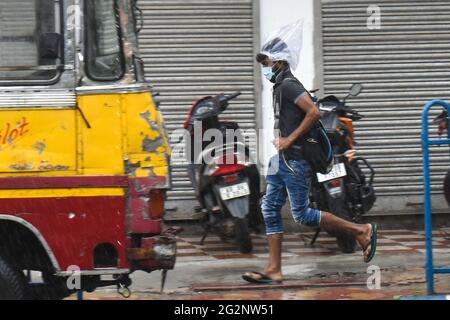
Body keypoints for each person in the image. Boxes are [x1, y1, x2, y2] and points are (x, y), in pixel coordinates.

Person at [242, 41, 378, 284]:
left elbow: (313, 112)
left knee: (302, 215)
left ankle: (361, 230)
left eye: (266, 62)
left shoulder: (288, 84)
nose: (264, 67)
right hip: (282, 160)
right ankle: (274, 269)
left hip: (295, 159)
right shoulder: (280, 86)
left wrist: (290, 138)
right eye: (262, 63)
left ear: (280, 61)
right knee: (270, 208)